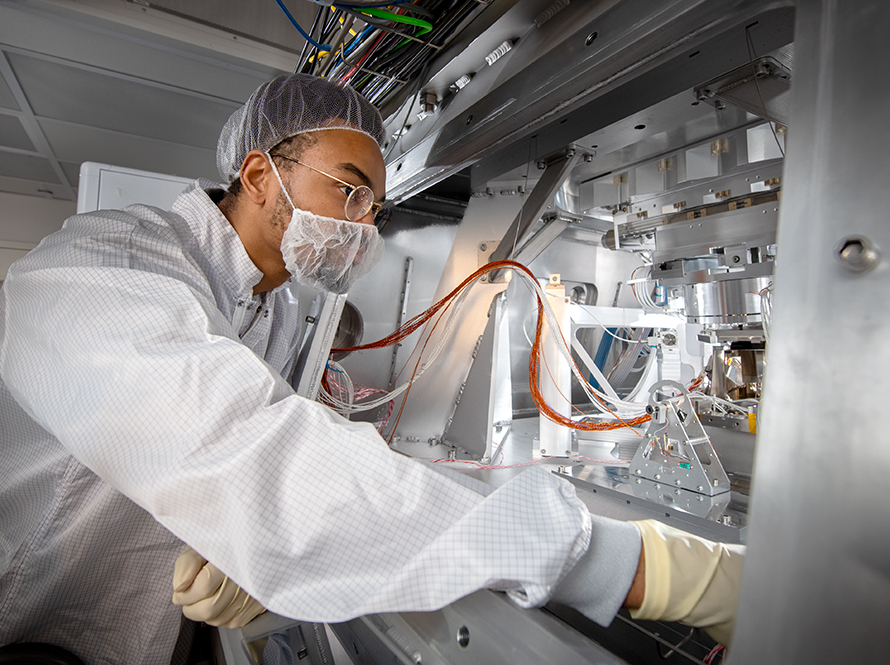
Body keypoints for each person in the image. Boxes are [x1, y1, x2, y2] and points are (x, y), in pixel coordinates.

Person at [0, 74, 743, 665]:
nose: (363, 225)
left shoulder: (279, 307)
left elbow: (274, 446)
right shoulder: (108, 265)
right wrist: (624, 562)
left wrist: (236, 540)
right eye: (349, 190)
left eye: (376, 206)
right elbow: (252, 451)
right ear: (260, 174)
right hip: (33, 618)